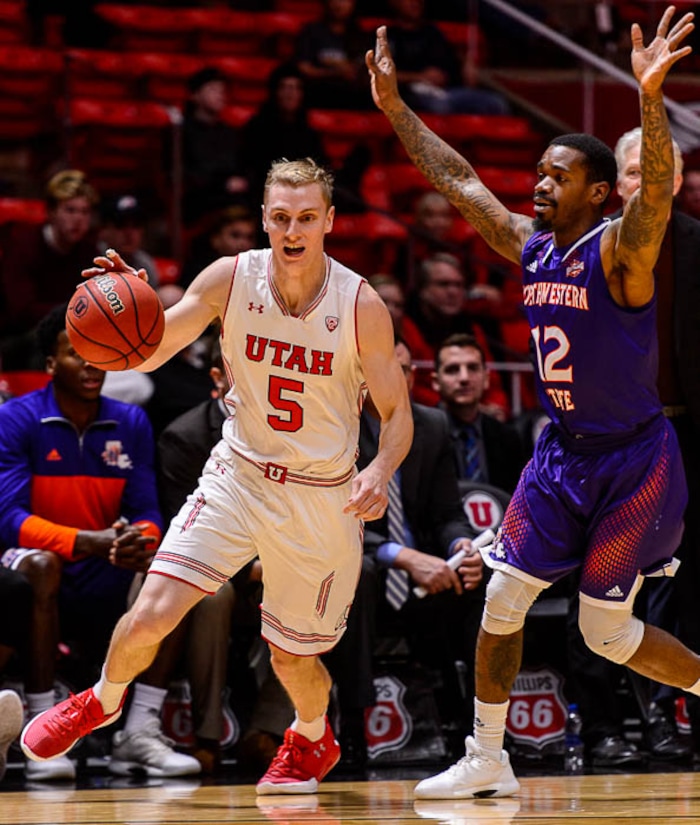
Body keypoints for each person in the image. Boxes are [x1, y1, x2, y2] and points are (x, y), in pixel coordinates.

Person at [367, 6, 699, 799]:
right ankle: (489, 757)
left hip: (633, 462)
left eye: (556, 176)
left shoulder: (621, 253)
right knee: (504, 593)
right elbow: (458, 178)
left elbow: (655, 192)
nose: (538, 183)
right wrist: (395, 110)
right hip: (561, 455)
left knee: (604, 631)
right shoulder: (531, 242)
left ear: (593, 191)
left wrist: (649, 98)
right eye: (539, 173)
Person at [21, 157, 413, 795]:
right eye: (281, 217)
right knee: (152, 610)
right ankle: (103, 697)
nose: (292, 231)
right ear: (264, 219)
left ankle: (312, 737)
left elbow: (397, 416)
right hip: (239, 475)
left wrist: (380, 467)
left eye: (306, 219)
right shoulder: (230, 278)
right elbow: (148, 349)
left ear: (330, 221)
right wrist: (134, 302)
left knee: (292, 655)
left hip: (320, 494)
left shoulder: (361, 304)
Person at [0, 304, 200, 781]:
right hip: (39, 567)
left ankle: (139, 731)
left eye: (102, 354)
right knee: (43, 565)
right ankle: (41, 722)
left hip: (104, 562)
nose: (93, 365)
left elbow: (150, 513)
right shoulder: (16, 418)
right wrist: (86, 541)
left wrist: (139, 539)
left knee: (172, 568)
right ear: (50, 363)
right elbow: (9, 519)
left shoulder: (130, 422)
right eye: (78, 354)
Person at [565, 125, 700, 767]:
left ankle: (681, 720)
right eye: (635, 172)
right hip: (606, 440)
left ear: (679, 179)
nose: (649, 184)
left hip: (686, 434)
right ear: (613, 185)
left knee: (689, 586)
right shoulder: (583, 247)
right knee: (597, 581)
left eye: (661, 171)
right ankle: (599, 728)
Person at [332, 337, 485, 760]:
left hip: (427, 569)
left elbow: (448, 512)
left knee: (482, 578)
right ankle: (353, 727)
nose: (384, 379)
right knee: (356, 575)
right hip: (366, 563)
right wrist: (403, 557)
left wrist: (462, 544)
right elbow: (339, 521)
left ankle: (481, 730)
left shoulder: (431, 426)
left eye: (395, 370)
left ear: (410, 377)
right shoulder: (336, 428)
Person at [0, 169, 99, 369]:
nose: (78, 219)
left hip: (73, 333)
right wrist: (75, 312)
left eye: (85, 212)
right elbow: (22, 312)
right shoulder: (23, 245)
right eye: (70, 210)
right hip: (19, 338)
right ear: (51, 213)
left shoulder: (90, 252)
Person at [401, 252, 509, 416]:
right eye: (443, 284)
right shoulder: (405, 328)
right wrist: (449, 406)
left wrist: (496, 406)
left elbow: (493, 383)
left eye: (458, 285)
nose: (453, 292)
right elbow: (408, 386)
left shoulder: (473, 329)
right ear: (422, 290)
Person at [432, 334, 525, 494]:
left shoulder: (507, 437)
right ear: (435, 382)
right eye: (452, 370)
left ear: (487, 379)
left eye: (473, 368)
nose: (464, 378)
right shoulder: (421, 435)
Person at [385, 0, 509, 116]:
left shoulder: (432, 33)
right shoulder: (388, 37)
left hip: (445, 92)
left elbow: (451, 61)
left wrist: (465, 64)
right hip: (410, 94)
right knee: (440, 106)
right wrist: (420, 77)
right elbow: (377, 76)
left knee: (496, 104)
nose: (416, 2)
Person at [182, 66, 250, 227]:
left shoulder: (230, 133)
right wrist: (221, 184)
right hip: (198, 204)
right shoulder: (180, 133)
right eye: (213, 89)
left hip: (232, 201)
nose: (220, 95)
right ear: (195, 95)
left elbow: (243, 166)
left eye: (222, 90)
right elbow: (184, 175)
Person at [294, 0, 373, 110]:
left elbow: (367, 73)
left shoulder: (361, 36)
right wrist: (335, 73)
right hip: (318, 94)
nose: (339, 4)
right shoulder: (312, 31)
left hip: (354, 97)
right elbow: (303, 68)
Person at [179, 205, 257, 289]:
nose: (243, 243)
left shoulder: (260, 268)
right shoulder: (198, 268)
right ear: (216, 239)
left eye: (249, 237)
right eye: (235, 235)